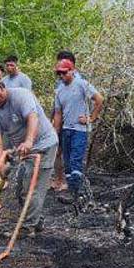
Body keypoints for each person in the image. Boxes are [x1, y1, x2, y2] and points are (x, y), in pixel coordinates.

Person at [0, 74, 59, 234]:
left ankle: (28, 227)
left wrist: (29, 141)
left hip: (44, 144)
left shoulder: (21, 95)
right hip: (23, 151)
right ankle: (35, 220)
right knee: (20, 187)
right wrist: (1, 163)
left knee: (32, 186)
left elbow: (32, 118)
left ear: (0, 88)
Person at [51, 58, 103, 203]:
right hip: (66, 129)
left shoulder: (81, 84)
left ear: (72, 71)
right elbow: (58, 112)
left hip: (80, 130)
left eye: (63, 73)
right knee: (67, 161)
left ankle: (76, 193)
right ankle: (72, 191)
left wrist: (91, 118)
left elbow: (99, 99)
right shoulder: (59, 89)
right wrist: (55, 131)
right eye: (58, 73)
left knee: (75, 161)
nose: (61, 76)